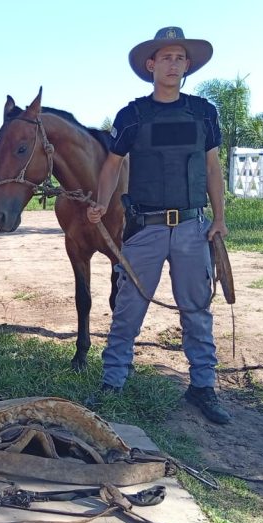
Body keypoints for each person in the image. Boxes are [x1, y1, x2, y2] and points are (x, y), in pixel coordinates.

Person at [86, 27, 231, 424]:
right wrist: (100, 204)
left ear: (188, 66)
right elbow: (112, 165)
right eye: (165, 58)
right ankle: (113, 380)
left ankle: (203, 386)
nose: (173, 64)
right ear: (151, 65)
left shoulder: (204, 112)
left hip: (191, 228)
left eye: (179, 58)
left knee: (197, 309)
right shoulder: (132, 115)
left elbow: (212, 167)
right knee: (129, 308)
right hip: (144, 228)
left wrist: (219, 219)